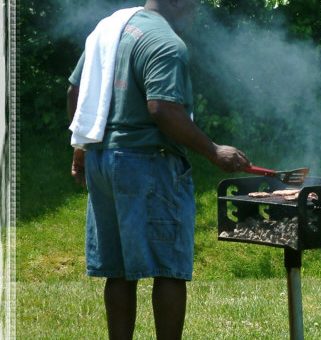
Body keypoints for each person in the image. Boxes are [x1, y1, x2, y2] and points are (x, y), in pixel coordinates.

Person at [67, 0, 250, 339]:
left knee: (119, 271)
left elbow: (75, 90)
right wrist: (214, 151)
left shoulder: (109, 27)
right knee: (169, 269)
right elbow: (162, 109)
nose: (196, 9)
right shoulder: (166, 43)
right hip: (147, 164)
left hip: (103, 161)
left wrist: (81, 147)